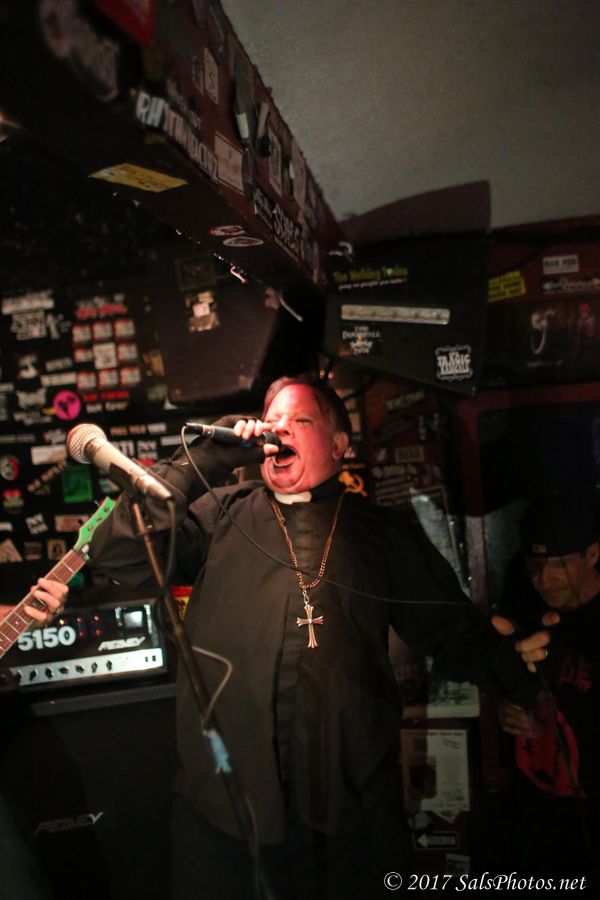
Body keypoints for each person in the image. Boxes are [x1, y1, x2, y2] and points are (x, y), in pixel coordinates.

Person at [87, 373, 550, 900]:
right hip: (222, 818)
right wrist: (208, 458)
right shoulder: (220, 513)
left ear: (338, 444)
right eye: (271, 421)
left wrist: (522, 680)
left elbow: (452, 632)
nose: (279, 430)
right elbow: (117, 556)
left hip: (349, 820)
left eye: (300, 420)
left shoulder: (381, 532)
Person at [498, 499, 600, 885]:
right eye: (535, 565)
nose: (545, 578)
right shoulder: (523, 612)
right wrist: (515, 712)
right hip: (539, 812)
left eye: (559, 563)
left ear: (592, 554)